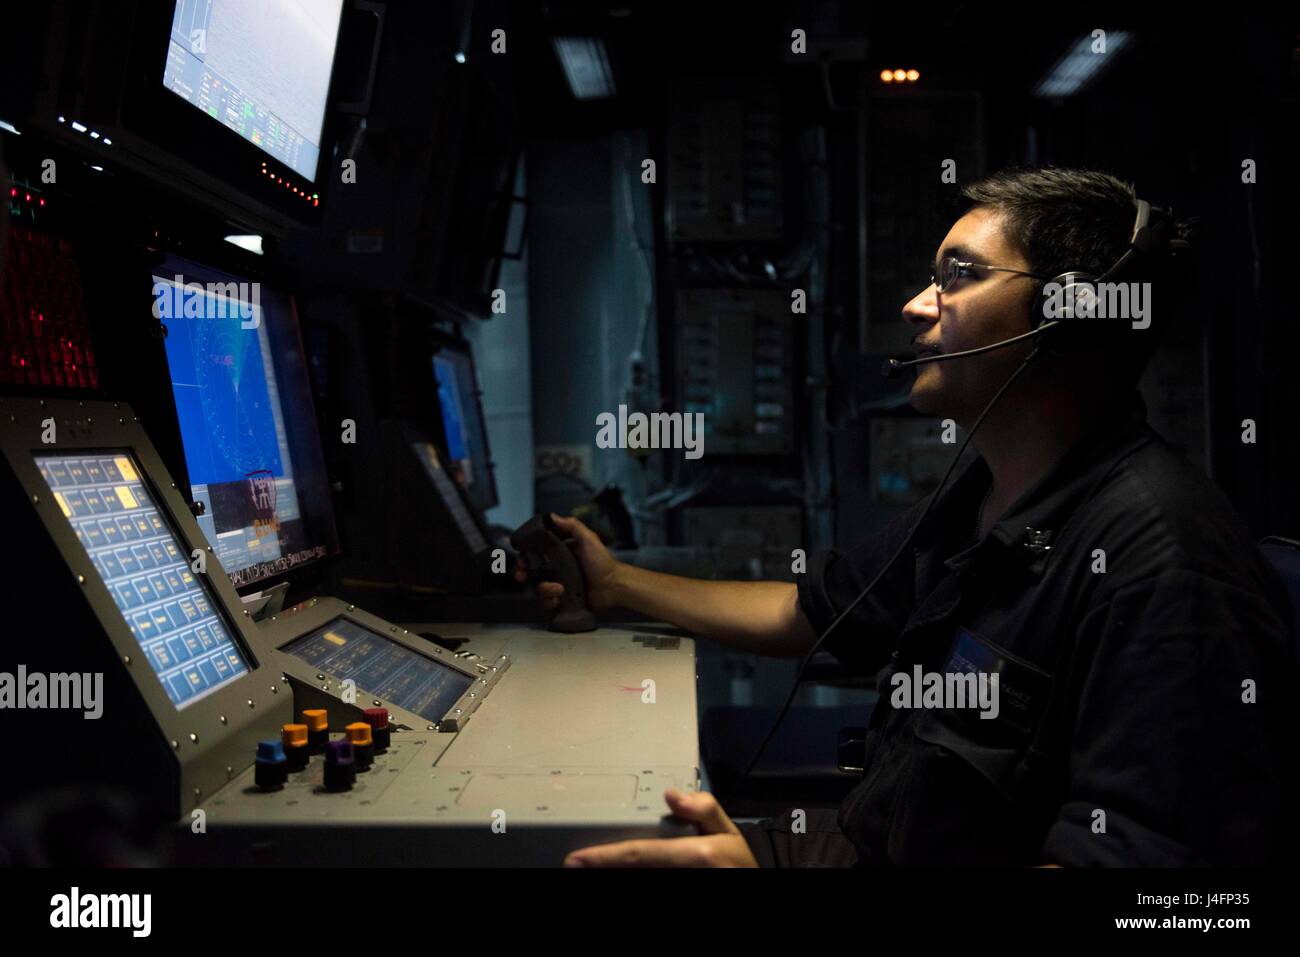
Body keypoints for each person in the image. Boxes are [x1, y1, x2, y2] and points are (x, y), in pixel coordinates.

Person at [524, 167, 1297, 867]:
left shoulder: (1164, 560)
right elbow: (816, 608)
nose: (915, 304)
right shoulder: (983, 490)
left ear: (1069, 311)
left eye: (957, 277)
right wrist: (616, 583)